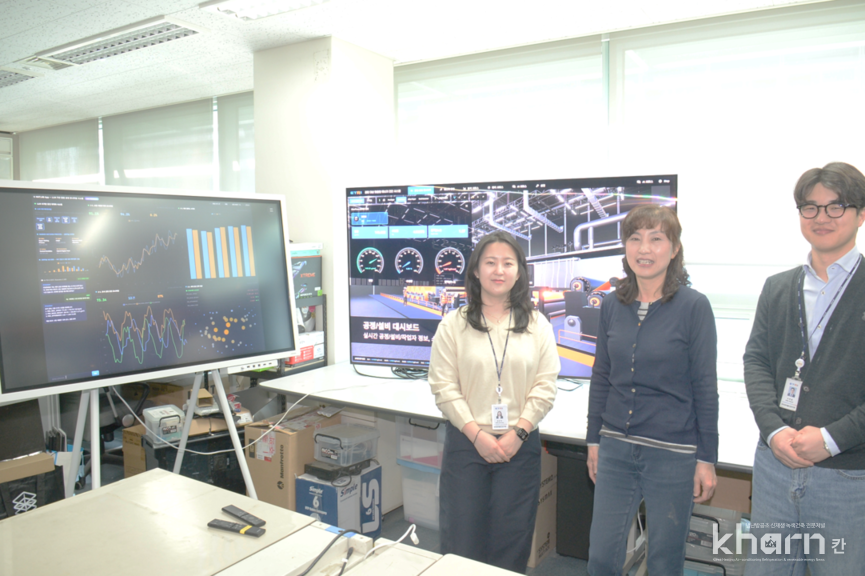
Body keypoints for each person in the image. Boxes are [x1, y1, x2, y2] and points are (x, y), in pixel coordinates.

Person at [743, 162, 865, 574]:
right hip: (774, 465)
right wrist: (773, 430)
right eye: (810, 207)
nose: (821, 217)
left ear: (861, 214)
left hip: (846, 477)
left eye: (836, 206)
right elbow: (756, 361)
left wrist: (831, 439)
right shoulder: (778, 287)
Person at [586, 204, 718, 575]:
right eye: (635, 238)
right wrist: (593, 440)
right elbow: (602, 376)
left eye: (656, 239)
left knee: (664, 560)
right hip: (615, 446)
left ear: (674, 249)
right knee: (601, 557)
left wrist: (707, 457)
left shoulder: (694, 306)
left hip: (672, 452)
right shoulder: (612, 304)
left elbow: (705, 386)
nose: (644, 248)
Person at [428, 230, 560, 574]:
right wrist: (477, 435)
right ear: (475, 270)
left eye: (507, 263)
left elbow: (545, 386)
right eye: (490, 262)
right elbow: (443, 386)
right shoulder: (453, 325)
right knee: (461, 540)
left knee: (511, 541)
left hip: (520, 445)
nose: (498, 270)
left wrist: (519, 433)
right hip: (467, 443)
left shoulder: (538, 325)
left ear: (519, 272)